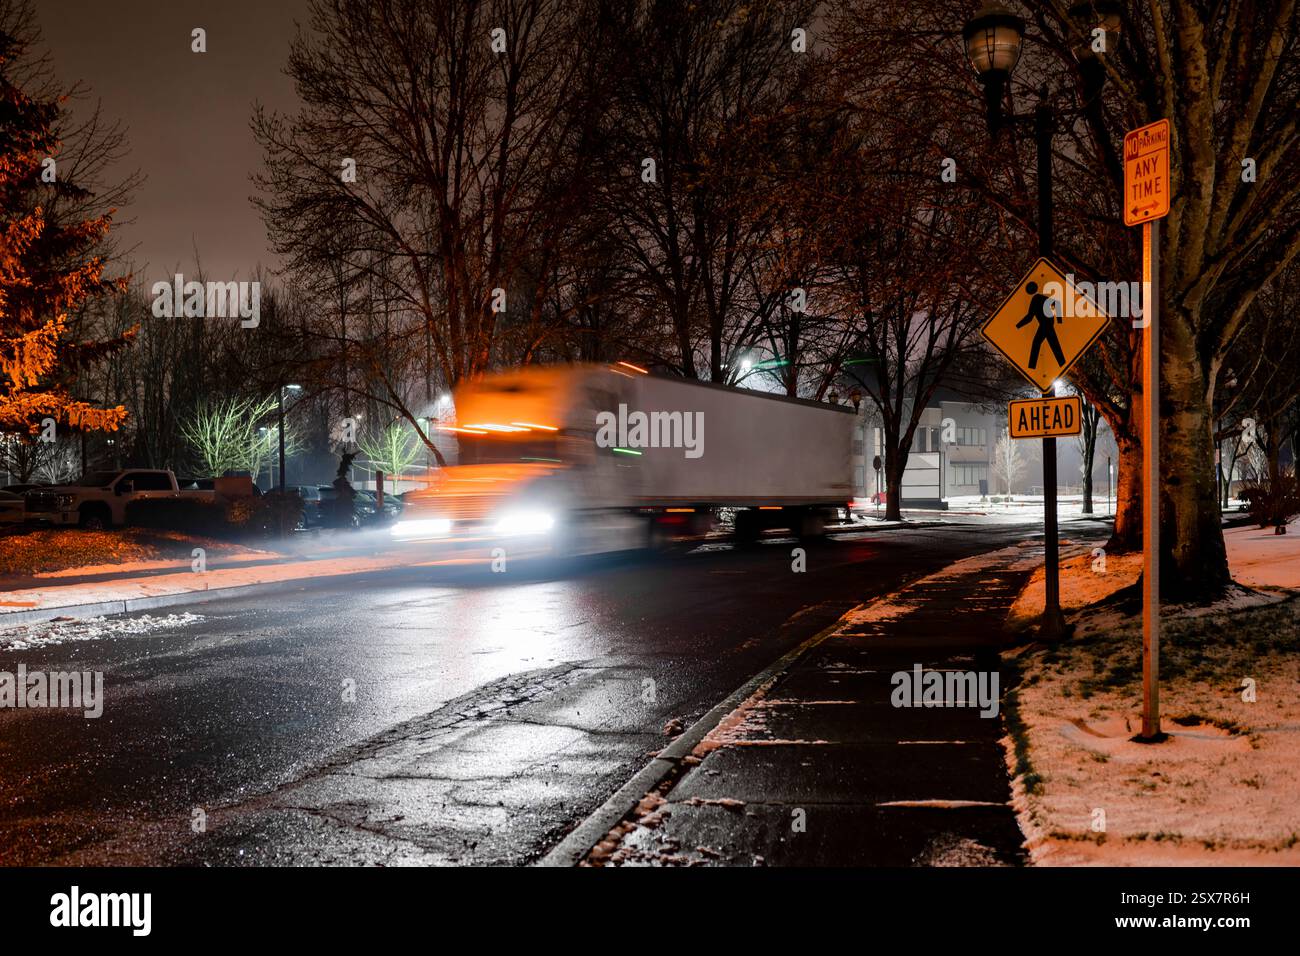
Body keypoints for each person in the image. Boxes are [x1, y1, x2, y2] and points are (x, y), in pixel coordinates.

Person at [1015, 281, 1066, 370]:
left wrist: (1060, 321)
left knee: (1037, 343)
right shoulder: (1038, 298)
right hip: (1047, 323)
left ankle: (1032, 367)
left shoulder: (1037, 298)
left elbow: (1030, 317)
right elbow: (1030, 317)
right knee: (1053, 343)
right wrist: (1018, 326)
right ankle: (1062, 363)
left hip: (1046, 323)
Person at [332, 452, 357, 529]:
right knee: (342, 522)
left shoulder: (345, 484)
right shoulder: (339, 484)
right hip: (342, 506)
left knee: (344, 522)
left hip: (345, 506)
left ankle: (345, 527)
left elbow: (352, 493)